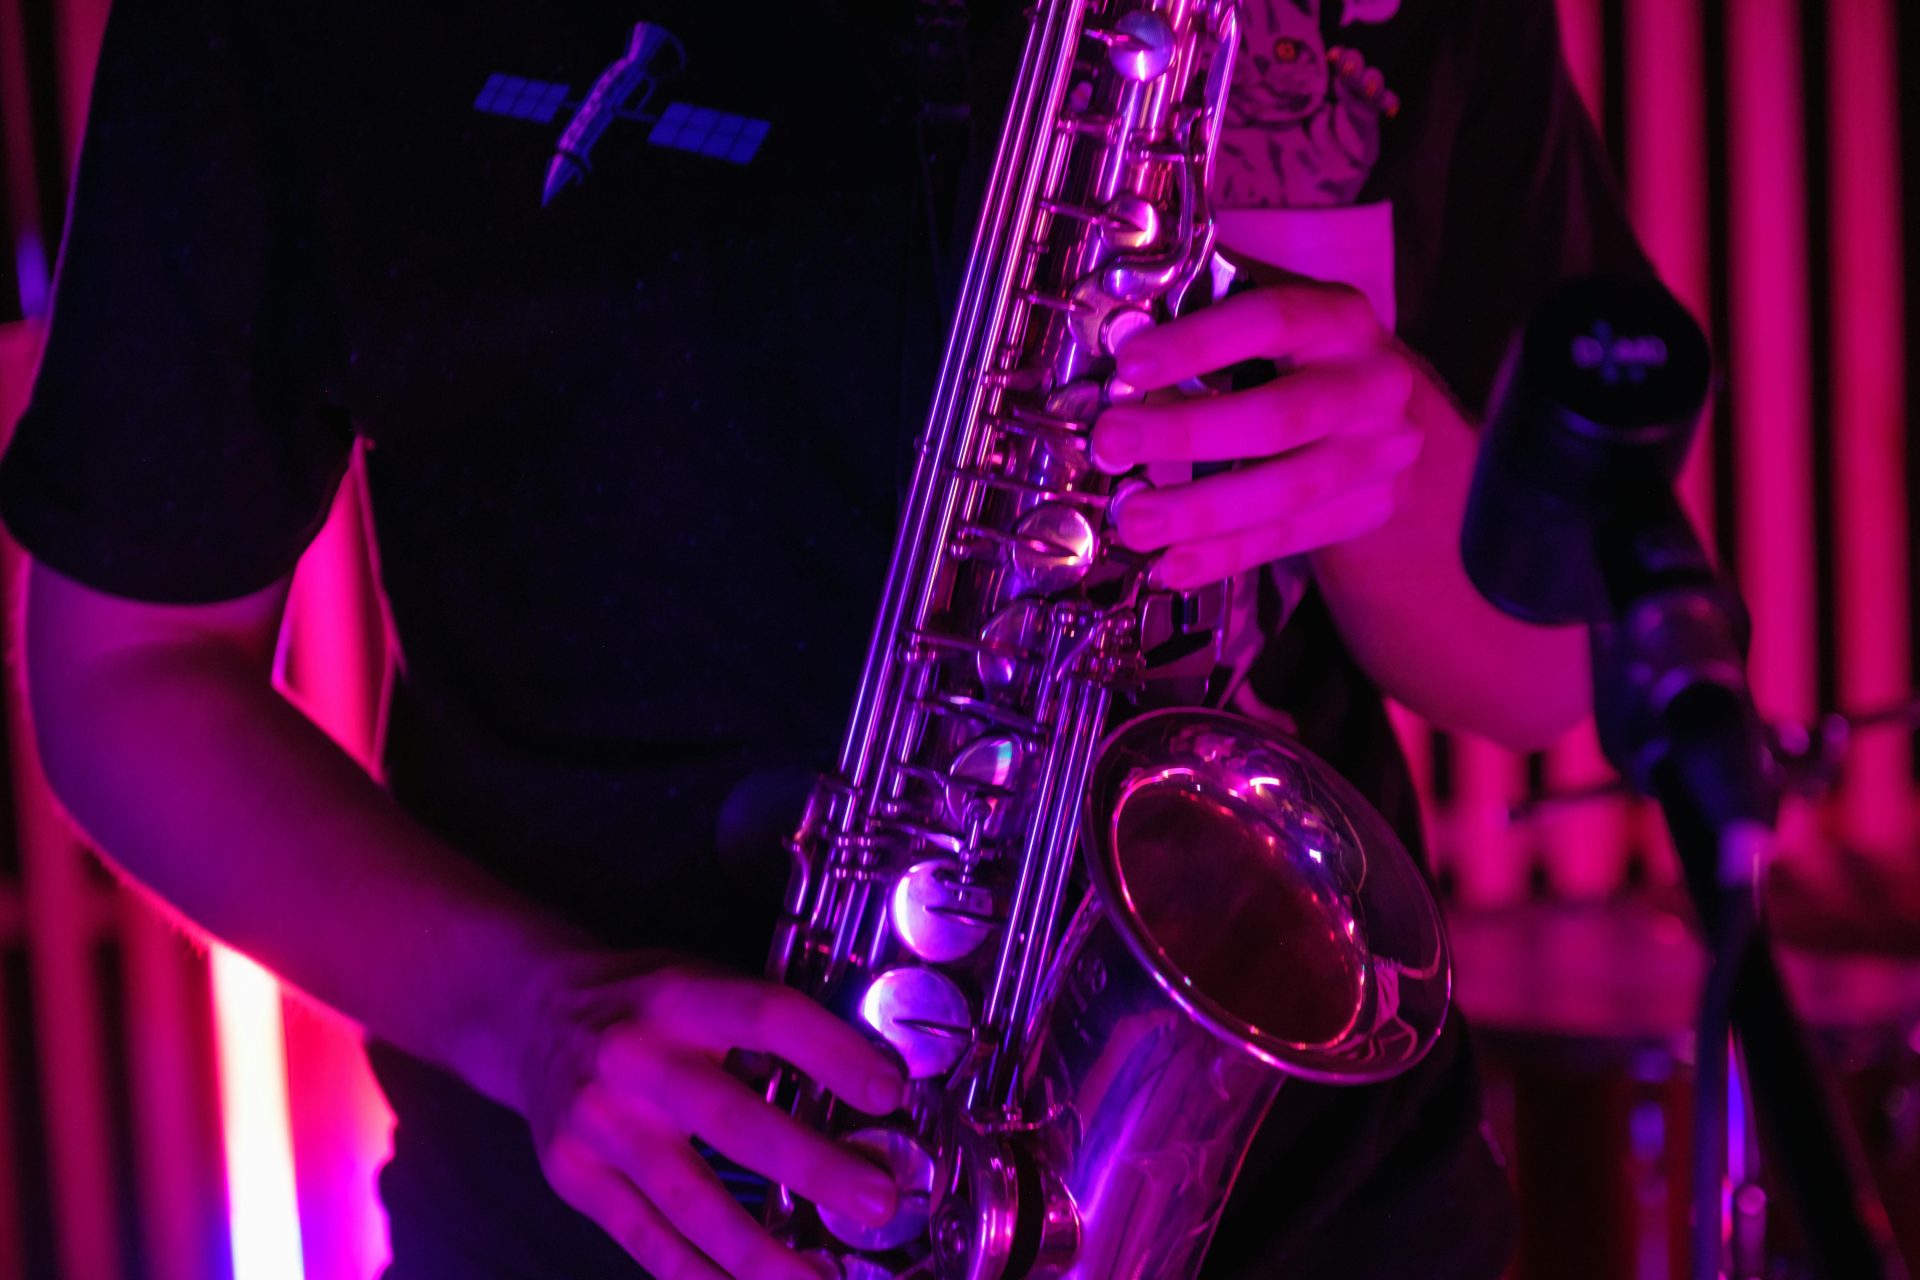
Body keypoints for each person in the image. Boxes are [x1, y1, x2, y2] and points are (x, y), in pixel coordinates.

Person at [0, 0, 1650, 1276]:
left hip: (1314, 1222)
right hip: (621, 1224)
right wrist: (535, 1014)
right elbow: (127, 673)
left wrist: (1398, 460)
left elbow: (1549, 667)